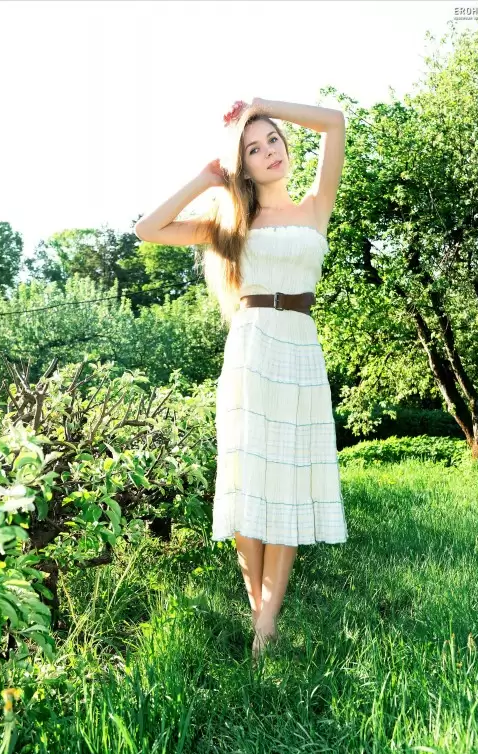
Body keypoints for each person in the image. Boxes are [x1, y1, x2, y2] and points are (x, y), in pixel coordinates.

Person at [135, 96, 348, 660]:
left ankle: (267, 622)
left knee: (288, 482)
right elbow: (147, 229)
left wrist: (262, 104)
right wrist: (204, 179)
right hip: (251, 350)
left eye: (273, 140)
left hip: (300, 349)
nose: (269, 151)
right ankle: (261, 615)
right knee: (249, 480)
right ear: (243, 167)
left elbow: (334, 122)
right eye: (253, 149)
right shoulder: (231, 224)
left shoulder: (315, 206)